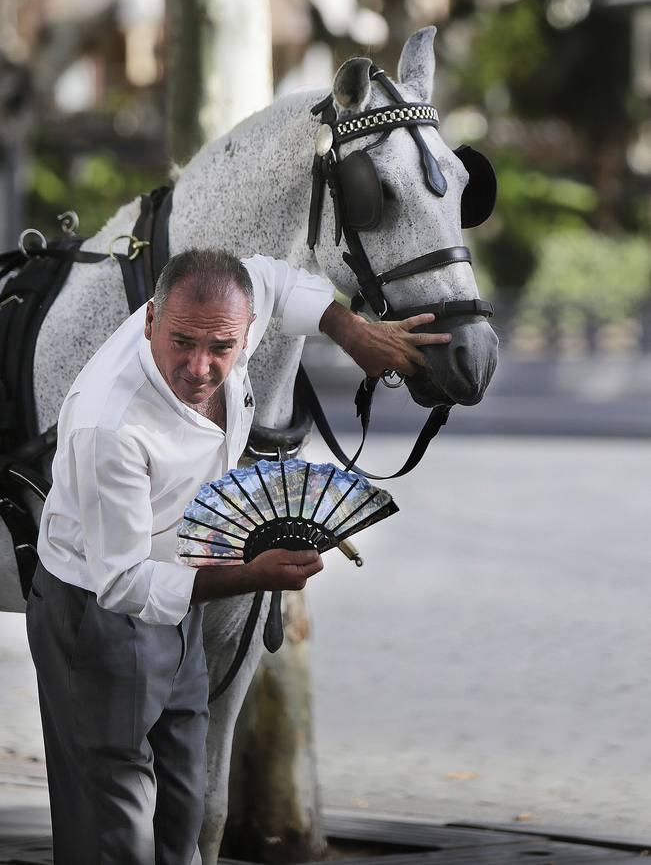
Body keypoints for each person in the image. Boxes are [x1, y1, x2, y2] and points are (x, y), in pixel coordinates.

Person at [26, 248, 451, 864]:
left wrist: (351, 330)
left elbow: (277, 278)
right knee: (112, 828)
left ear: (247, 331)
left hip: (180, 598)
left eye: (221, 348)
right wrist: (251, 575)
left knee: (185, 803)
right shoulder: (108, 425)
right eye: (182, 343)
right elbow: (121, 584)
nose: (200, 367)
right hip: (96, 614)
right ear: (150, 321)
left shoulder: (228, 310)